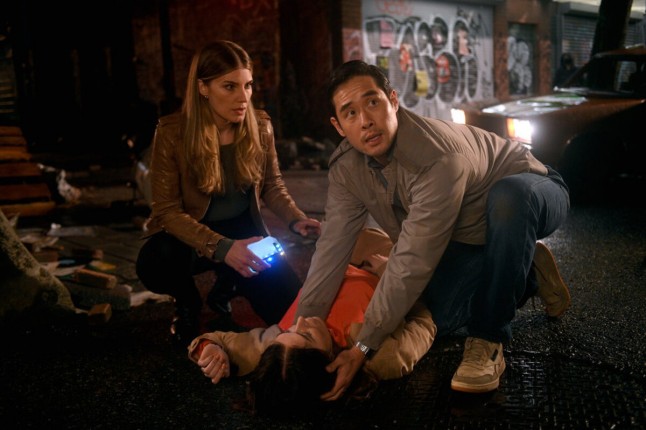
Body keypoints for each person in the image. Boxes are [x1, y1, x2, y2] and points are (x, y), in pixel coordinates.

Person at [293, 60, 571, 399]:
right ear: (338, 126)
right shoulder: (347, 168)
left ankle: (490, 339)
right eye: (350, 113)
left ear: (393, 100)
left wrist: (363, 345)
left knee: (508, 198)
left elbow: (414, 258)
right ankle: (526, 270)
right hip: (466, 234)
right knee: (436, 319)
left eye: (372, 102)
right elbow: (332, 248)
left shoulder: (437, 158)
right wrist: (303, 324)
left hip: (532, 193)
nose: (365, 120)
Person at [136, 41, 321, 347]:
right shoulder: (172, 132)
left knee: (289, 313)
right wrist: (223, 249)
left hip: (244, 231)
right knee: (154, 262)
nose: (243, 97)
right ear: (203, 88)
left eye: (248, 85)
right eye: (229, 86)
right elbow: (167, 211)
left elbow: (272, 184)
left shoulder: (261, 125)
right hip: (191, 235)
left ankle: (229, 284)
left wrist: (295, 219)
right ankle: (188, 301)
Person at [187, 228, 436, 416]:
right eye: (306, 335)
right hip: (397, 258)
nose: (302, 321)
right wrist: (389, 272)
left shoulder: (280, 352)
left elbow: (216, 341)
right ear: (327, 362)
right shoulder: (383, 358)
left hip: (340, 249)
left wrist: (210, 350)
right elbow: (424, 321)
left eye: (287, 330)